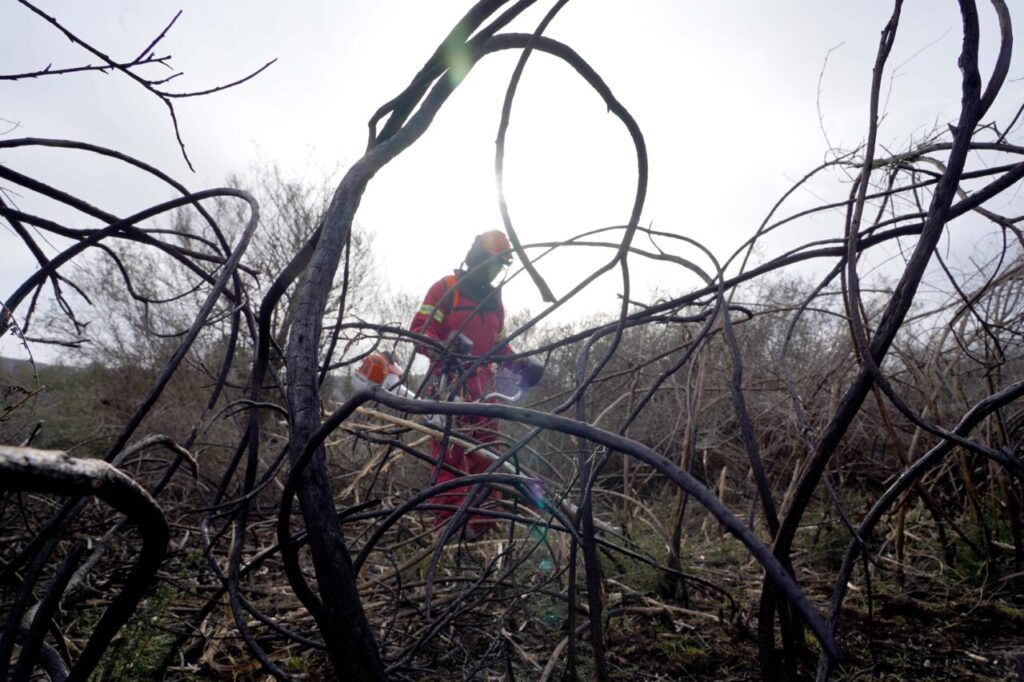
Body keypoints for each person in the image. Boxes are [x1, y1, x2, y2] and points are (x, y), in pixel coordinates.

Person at [409, 230, 528, 538]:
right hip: (449, 388)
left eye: (502, 266)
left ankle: (481, 530)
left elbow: (499, 348)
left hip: (486, 394)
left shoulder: (494, 303)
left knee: (487, 459)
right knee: (449, 460)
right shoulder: (448, 289)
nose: (497, 272)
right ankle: (449, 532)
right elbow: (421, 330)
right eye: (494, 264)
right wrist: (445, 346)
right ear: (480, 258)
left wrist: (522, 363)